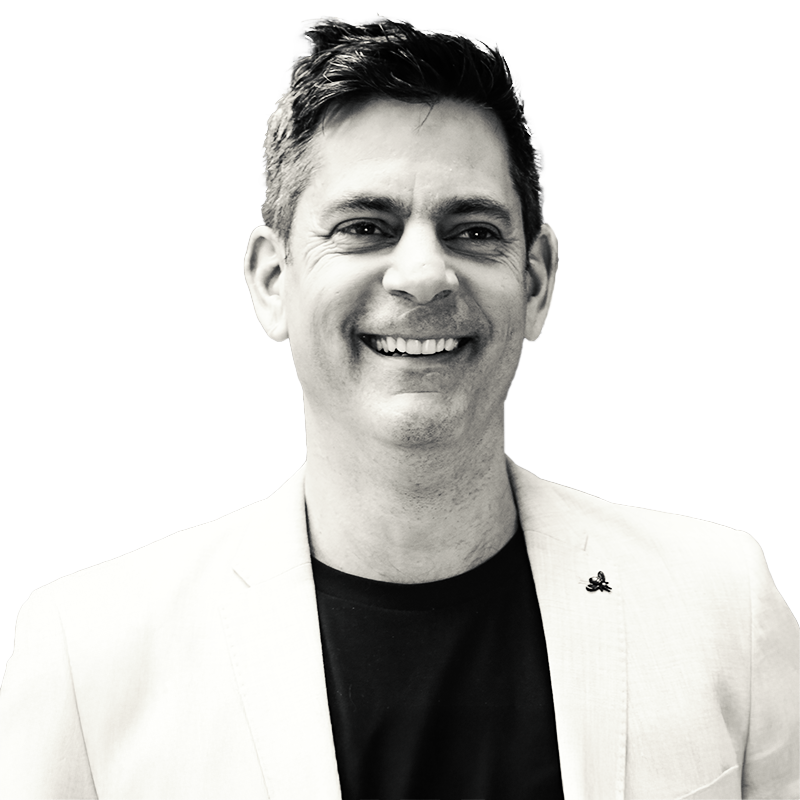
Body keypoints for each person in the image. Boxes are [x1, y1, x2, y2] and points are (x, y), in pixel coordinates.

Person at [1, 15, 799, 800]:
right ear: (272, 283)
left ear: (536, 284)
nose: (422, 275)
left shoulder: (723, 605)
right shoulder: (86, 655)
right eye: (364, 226)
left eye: (473, 230)